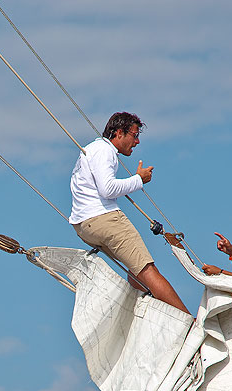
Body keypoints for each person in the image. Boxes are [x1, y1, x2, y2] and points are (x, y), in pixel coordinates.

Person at [69, 112, 190, 314]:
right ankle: (190, 324)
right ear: (118, 133)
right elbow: (107, 189)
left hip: (84, 226)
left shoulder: (92, 150)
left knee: (136, 275)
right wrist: (139, 179)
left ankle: (148, 315)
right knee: (149, 271)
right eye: (134, 135)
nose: (137, 141)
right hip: (104, 219)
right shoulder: (103, 150)